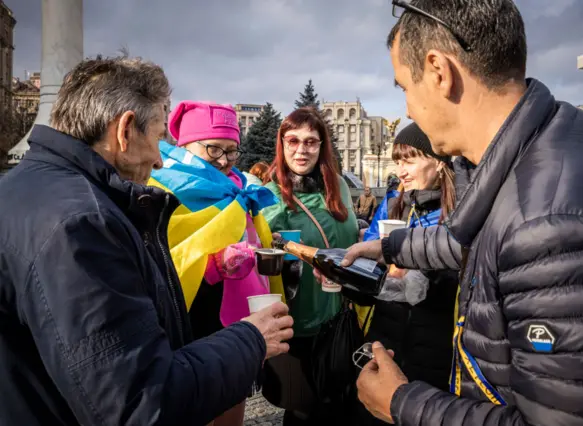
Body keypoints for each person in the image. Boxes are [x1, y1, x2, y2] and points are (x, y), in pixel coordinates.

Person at [338, 1, 583, 425]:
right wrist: (386, 247)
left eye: (404, 87)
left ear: (439, 72)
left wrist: (403, 403)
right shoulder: (542, 139)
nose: (408, 110)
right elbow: (473, 241)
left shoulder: (551, 228)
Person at [0, 56, 294, 426]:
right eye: (157, 138)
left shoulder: (22, 188)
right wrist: (251, 339)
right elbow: (140, 400)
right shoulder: (82, 223)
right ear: (125, 130)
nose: (159, 159)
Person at [148, 101, 285, 426]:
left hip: (240, 320)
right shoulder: (164, 187)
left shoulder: (241, 187)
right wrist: (213, 268)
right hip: (195, 324)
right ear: (186, 146)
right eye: (213, 149)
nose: (224, 161)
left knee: (231, 409)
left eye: (232, 151)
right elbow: (160, 260)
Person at [354, 122, 459, 426]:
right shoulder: (393, 204)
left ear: (439, 162)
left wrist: (430, 274)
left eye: (409, 160)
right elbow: (371, 263)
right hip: (387, 336)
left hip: (439, 345)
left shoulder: (461, 210)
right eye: (397, 161)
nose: (400, 170)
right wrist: (347, 274)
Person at [260, 107, 359, 425]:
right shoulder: (268, 193)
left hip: (336, 312)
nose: (302, 150)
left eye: (311, 142)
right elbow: (260, 254)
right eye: (293, 141)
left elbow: (348, 236)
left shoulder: (338, 186)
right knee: (300, 405)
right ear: (282, 144)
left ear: (322, 145)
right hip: (294, 319)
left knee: (336, 402)